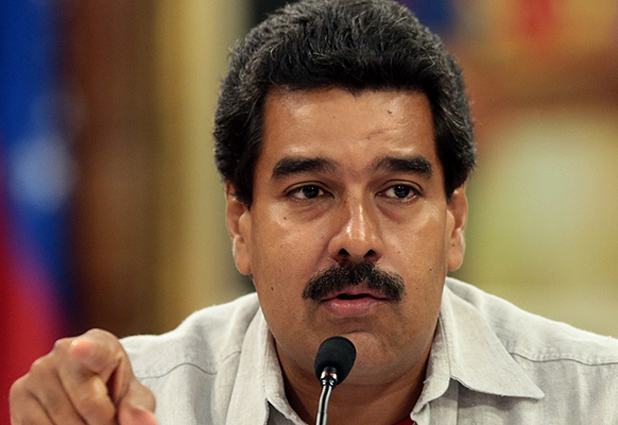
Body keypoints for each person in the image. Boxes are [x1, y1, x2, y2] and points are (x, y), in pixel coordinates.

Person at [9, 0, 618, 424]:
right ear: (240, 223)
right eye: (309, 192)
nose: (357, 238)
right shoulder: (142, 405)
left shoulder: (595, 399)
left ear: (455, 222)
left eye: (398, 191)